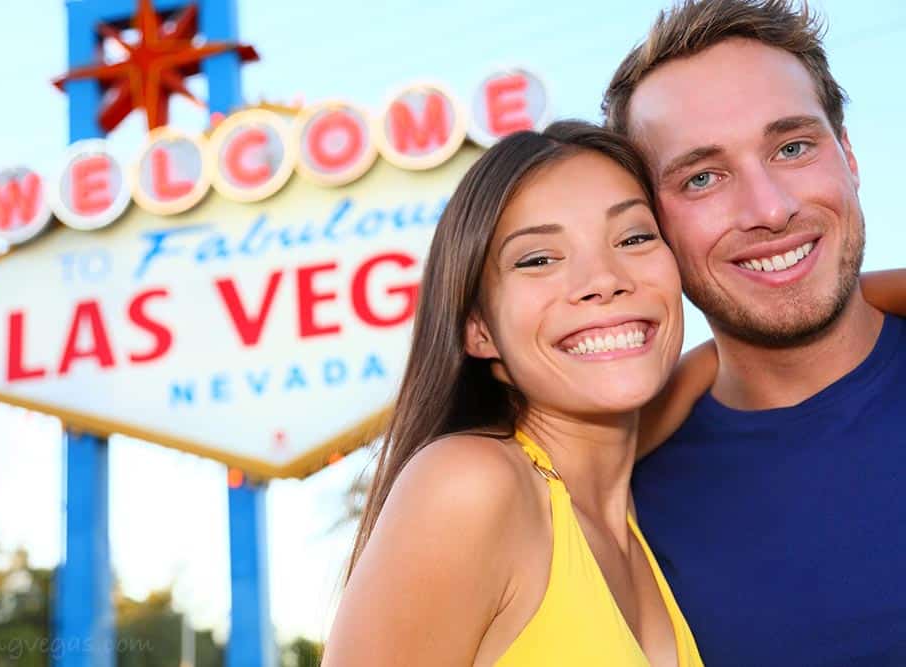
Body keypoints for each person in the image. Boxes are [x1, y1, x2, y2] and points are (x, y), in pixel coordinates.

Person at [322, 121, 704, 666]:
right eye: (538, 259)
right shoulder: (470, 484)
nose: (604, 278)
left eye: (635, 237)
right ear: (478, 328)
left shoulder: (624, 513)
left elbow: (736, 359)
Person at [601, 0, 906, 664]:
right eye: (702, 177)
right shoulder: (615, 509)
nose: (770, 209)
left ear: (848, 155)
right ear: (648, 226)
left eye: (793, 146)